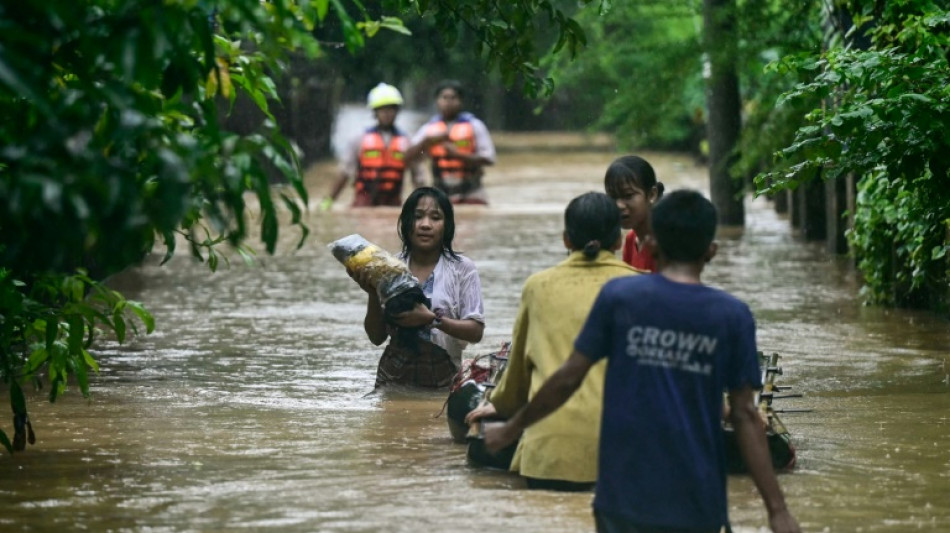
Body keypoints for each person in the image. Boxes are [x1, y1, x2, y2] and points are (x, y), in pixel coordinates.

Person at [484, 190, 800, 533]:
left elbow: (568, 378)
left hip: (623, 495)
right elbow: (744, 415)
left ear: (649, 244)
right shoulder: (733, 316)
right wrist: (777, 510)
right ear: (711, 251)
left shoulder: (620, 298)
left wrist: (511, 428)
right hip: (697, 495)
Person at [465, 192, 642, 491]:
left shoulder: (538, 287)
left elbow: (519, 374)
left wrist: (497, 405)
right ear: (617, 241)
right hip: (625, 456)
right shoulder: (644, 287)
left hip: (550, 454)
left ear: (565, 240)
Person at [349, 187, 486, 388]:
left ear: (447, 226)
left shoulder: (463, 269)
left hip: (445, 381)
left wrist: (433, 319)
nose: (425, 225)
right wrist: (372, 292)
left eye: (435, 217)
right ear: (406, 223)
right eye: (418, 216)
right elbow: (376, 337)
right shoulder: (390, 267)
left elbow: (476, 331)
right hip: (393, 378)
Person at [322, 83, 424, 209]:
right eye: (382, 109)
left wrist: (423, 203)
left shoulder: (407, 142)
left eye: (391, 109)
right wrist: (329, 201)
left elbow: (418, 177)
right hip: (363, 203)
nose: (387, 113)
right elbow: (344, 173)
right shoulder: (359, 140)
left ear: (397, 111)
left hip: (393, 204)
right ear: (374, 112)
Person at [408, 80, 496, 205]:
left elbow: (489, 158)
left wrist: (458, 155)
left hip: (472, 191)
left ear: (461, 101)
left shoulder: (475, 125)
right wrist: (427, 141)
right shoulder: (428, 129)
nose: (448, 102)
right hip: (441, 192)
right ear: (437, 101)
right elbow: (408, 157)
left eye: (453, 98)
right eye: (444, 98)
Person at [604, 155, 664, 272]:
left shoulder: (664, 243)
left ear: (652, 195)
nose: (619, 205)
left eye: (628, 196)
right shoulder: (631, 239)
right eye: (613, 197)